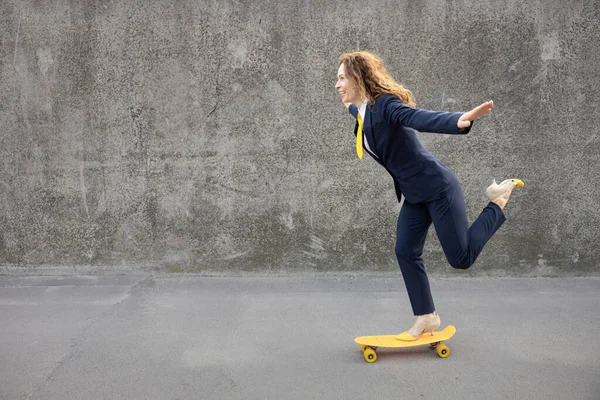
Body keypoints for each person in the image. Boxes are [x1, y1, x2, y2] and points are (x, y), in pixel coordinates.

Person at [336, 51, 524, 341]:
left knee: (460, 258)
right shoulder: (359, 111)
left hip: (437, 188)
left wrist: (459, 120)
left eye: (341, 78)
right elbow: (364, 119)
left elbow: (415, 117)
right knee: (405, 250)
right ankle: (426, 316)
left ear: (358, 79)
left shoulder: (385, 105)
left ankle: (497, 201)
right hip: (414, 194)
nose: (337, 85)